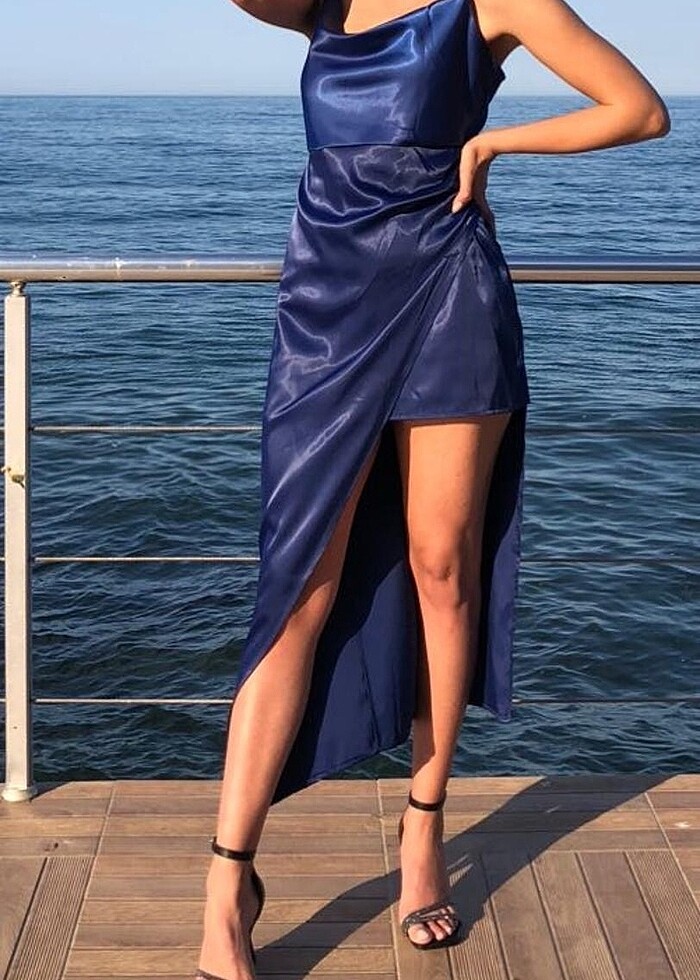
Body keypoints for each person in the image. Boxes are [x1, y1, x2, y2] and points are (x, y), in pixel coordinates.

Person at [196, 0, 670, 976]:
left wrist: (492, 144)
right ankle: (229, 876)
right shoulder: (319, 4)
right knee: (297, 587)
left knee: (442, 567)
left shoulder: (494, 0)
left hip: (449, 291)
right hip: (326, 304)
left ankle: (424, 822)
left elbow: (638, 109)